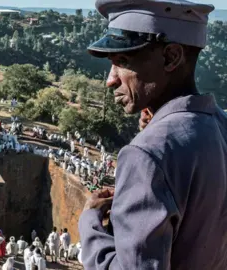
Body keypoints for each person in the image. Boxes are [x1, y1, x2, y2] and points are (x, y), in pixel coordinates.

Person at [79, 1, 227, 269]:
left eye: (122, 61)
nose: (110, 79)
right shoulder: (220, 124)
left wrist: (90, 223)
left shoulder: (147, 154)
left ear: (171, 57)